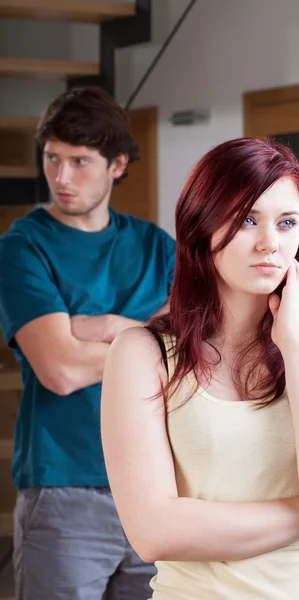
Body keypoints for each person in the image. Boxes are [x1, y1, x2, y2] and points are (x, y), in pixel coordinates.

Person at [101, 137, 299, 600]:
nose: (271, 243)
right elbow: (154, 532)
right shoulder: (141, 354)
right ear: (201, 226)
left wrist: (293, 345)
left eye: (287, 222)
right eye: (248, 219)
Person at [0, 86, 175, 600]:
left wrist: (91, 327)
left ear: (117, 164)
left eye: (79, 162)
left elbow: (190, 349)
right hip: (63, 488)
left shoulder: (156, 247)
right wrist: (143, 335)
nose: (61, 178)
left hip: (156, 485)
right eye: (52, 159)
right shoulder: (22, 246)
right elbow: (61, 371)